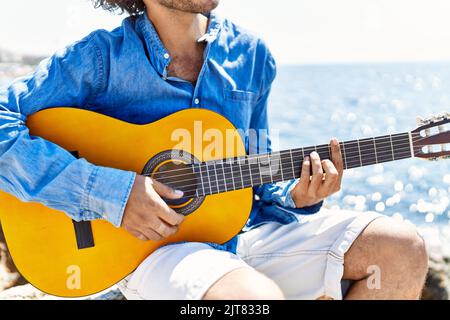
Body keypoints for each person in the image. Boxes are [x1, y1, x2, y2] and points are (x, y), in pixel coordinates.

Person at [0, 0, 428, 300]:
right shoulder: (99, 59)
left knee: (400, 250)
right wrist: (112, 193)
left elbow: (257, 168)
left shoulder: (254, 56)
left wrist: (299, 196)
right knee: (251, 296)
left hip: (244, 236)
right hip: (151, 249)